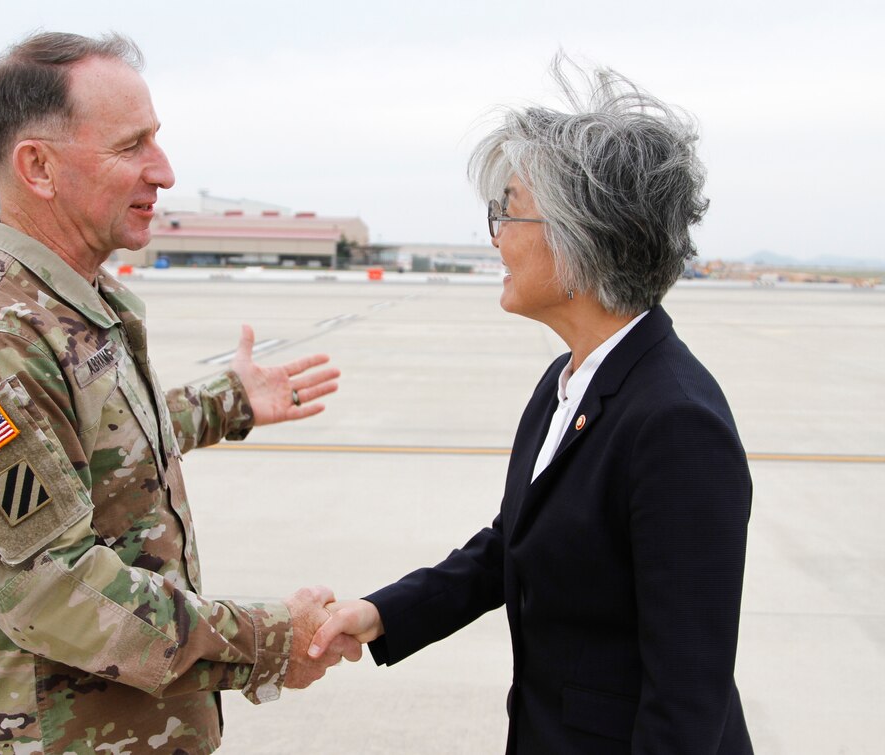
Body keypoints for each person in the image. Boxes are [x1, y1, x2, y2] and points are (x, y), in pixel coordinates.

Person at [0, 31, 357, 755]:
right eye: (132, 146)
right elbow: (50, 587)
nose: (162, 170)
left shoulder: (63, 303)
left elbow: (90, 444)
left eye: (156, 140)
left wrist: (228, 402)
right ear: (38, 166)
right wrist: (269, 636)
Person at [312, 57, 754, 753]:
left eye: (509, 208)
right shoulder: (570, 378)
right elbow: (509, 548)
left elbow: (686, 699)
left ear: (583, 233)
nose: (495, 234)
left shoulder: (675, 424)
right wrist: (381, 612)